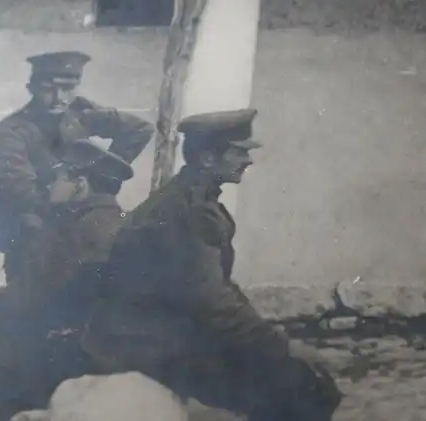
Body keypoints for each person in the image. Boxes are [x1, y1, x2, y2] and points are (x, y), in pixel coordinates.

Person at [80, 109, 342, 421]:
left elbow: (219, 290)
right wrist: (282, 349)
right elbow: (212, 302)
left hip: (164, 332)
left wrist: (272, 341)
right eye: (239, 152)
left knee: (291, 378)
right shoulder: (187, 212)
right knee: (305, 387)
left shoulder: (192, 200)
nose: (248, 160)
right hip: (147, 344)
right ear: (206, 158)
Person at [0, 139, 137, 421]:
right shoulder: (106, 220)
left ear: (80, 183)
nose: (49, 186)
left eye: (57, 177)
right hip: (71, 342)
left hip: (53, 351)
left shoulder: (82, 229)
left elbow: (36, 299)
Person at [0, 50, 153, 286]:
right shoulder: (10, 135)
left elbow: (139, 129)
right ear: (31, 89)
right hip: (33, 232)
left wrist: (103, 174)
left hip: (77, 224)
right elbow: (20, 196)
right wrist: (61, 194)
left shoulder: (79, 113)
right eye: (48, 89)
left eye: (68, 88)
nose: (59, 98)